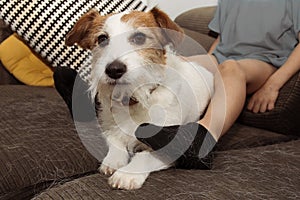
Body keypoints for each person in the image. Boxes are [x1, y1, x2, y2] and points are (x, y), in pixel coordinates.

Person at [55, 0, 300, 169]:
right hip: (223, 56)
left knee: (231, 68)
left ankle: (202, 138)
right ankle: (98, 102)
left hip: (264, 61)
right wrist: (205, 63)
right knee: (176, 63)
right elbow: (223, 40)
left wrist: (274, 84)